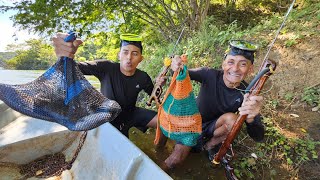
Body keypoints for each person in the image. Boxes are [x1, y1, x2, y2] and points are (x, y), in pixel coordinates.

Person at [161, 40, 265, 169]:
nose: (235, 69)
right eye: (231, 62)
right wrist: (176, 64)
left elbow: (259, 137)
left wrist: (251, 118)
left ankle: (209, 146)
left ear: (250, 69)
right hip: (191, 125)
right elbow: (181, 72)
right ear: (223, 64)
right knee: (174, 160)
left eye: (243, 64)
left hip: (212, 130)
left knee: (233, 120)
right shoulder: (209, 74)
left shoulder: (247, 93)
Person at [52, 33, 159, 137]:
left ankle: (160, 146)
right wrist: (66, 58)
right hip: (108, 116)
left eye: (135, 53)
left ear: (141, 58)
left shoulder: (143, 77)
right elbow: (73, 69)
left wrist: (159, 85)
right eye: (125, 52)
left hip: (132, 113)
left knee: (165, 123)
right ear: (119, 55)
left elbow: (155, 95)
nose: (129, 57)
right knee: (120, 145)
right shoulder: (106, 67)